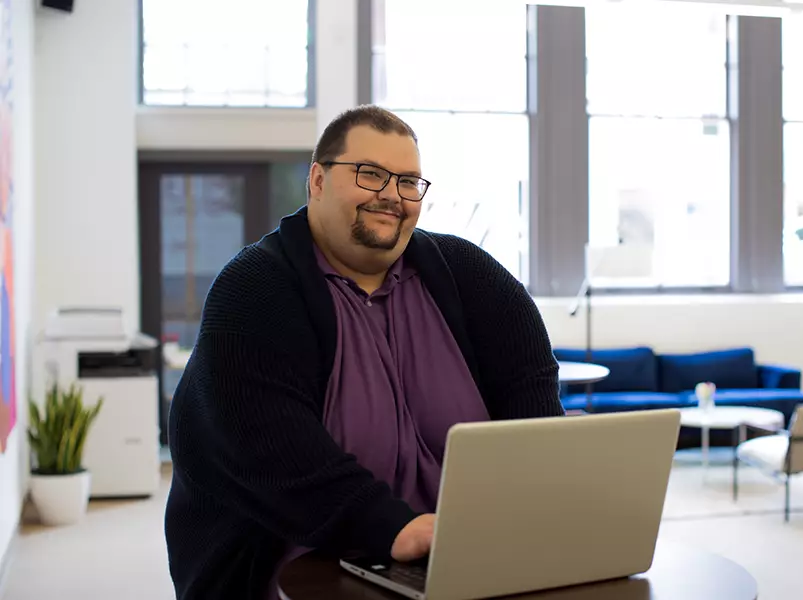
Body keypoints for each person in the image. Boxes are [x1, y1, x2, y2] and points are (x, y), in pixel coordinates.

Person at [164, 105, 564, 599]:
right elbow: (273, 455)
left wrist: (542, 515)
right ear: (316, 180)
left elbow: (535, 420)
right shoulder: (252, 293)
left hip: (460, 565)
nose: (391, 197)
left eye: (408, 182)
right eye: (370, 175)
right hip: (296, 570)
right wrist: (394, 528)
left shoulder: (478, 280)